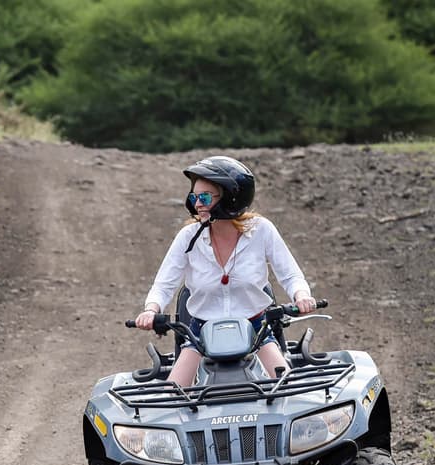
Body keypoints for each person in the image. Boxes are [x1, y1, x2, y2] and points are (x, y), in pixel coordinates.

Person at [134, 156, 316, 387]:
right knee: (173, 395)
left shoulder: (261, 231)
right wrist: (151, 310)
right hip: (200, 334)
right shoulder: (188, 237)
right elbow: (164, 284)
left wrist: (301, 296)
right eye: (194, 197)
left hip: (256, 330)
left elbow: (290, 275)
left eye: (205, 197)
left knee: (288, 390)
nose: (197, 204)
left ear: (231, 198)